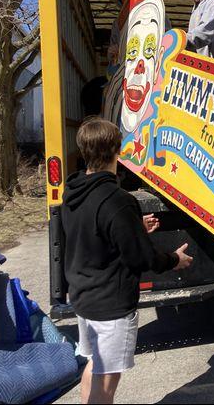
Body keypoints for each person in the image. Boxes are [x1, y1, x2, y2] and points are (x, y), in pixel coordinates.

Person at [61, 117, 193, 404]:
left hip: (84, 298)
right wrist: (175, 259)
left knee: (95, 365)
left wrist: (132, 226)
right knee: (106, 384)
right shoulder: (117, 199)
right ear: (117, 151)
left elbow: (92, 232)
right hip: (110, 305)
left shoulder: (73, 191)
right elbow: (142, 257)